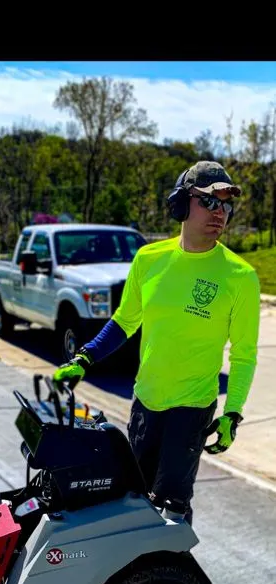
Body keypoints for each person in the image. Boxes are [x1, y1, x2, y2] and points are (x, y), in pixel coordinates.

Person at [53, 162, 261, 526]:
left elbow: (244, 354)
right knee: (132, 500)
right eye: (210, 202)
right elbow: (124, 321)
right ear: (181, 204)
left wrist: (233, 413)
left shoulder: (240, 276)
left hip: (192, 409)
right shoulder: (149, 259)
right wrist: (86, 357)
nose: (220, 214)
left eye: (226, 205)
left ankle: (174, 578)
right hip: (145, 402)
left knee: (173, 508)